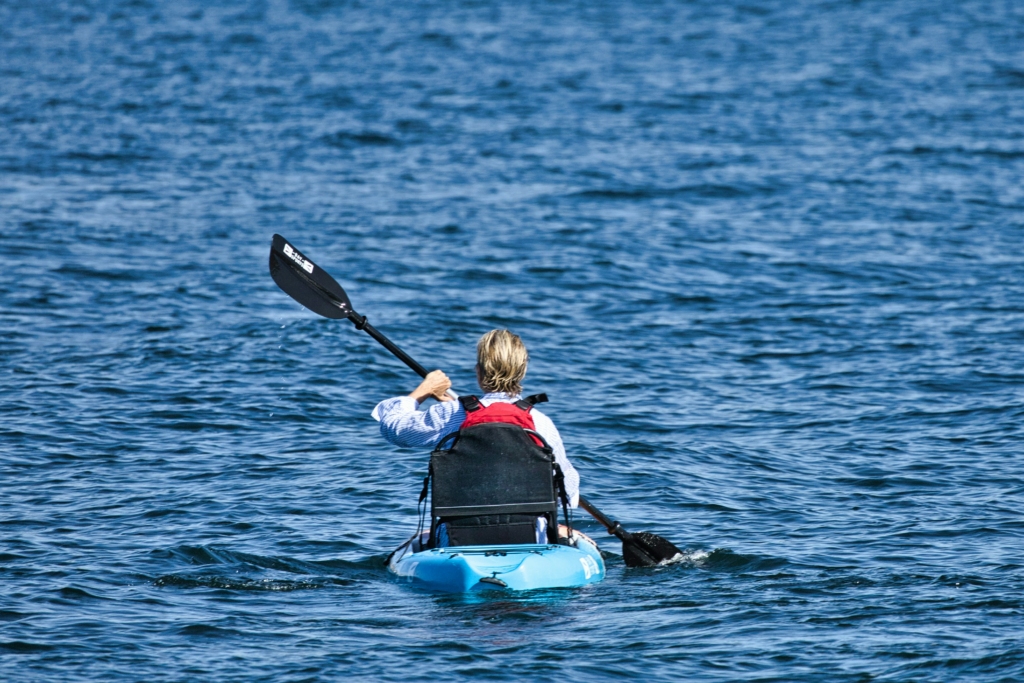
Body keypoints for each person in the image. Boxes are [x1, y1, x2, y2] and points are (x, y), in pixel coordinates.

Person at [372, 329, 580, 546]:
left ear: (479, 371)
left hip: (459, 536)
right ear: (523, 371)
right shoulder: (541, 422)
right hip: (528, 535)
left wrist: (423, 391)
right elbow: (569, 490)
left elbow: (394, 429)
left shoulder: (450, 414)